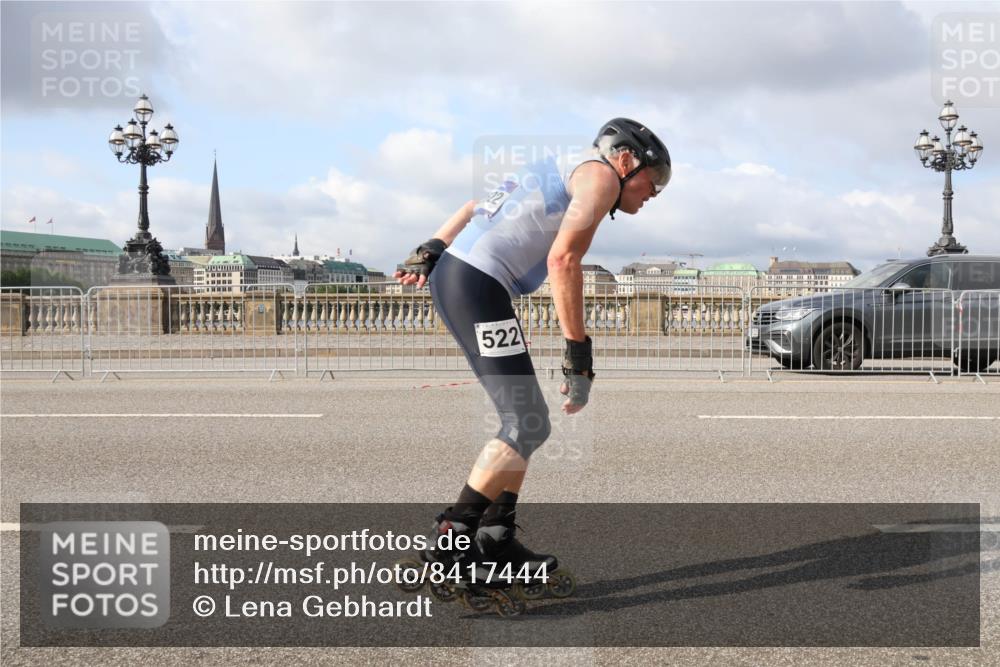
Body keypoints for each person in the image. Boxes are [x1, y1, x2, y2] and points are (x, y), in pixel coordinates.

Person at [394, 118, 671, 613]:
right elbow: (564, 262)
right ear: (626, 160)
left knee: (527, 424)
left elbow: (474, 208)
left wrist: (431, 247)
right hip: (476, 285)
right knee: (525, 422)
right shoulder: (601, 178)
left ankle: (496, 537)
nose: (656, 193)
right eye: (656, 180)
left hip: (467, 279)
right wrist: (578, 354)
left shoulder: (563, 171)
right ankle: (451, 544)